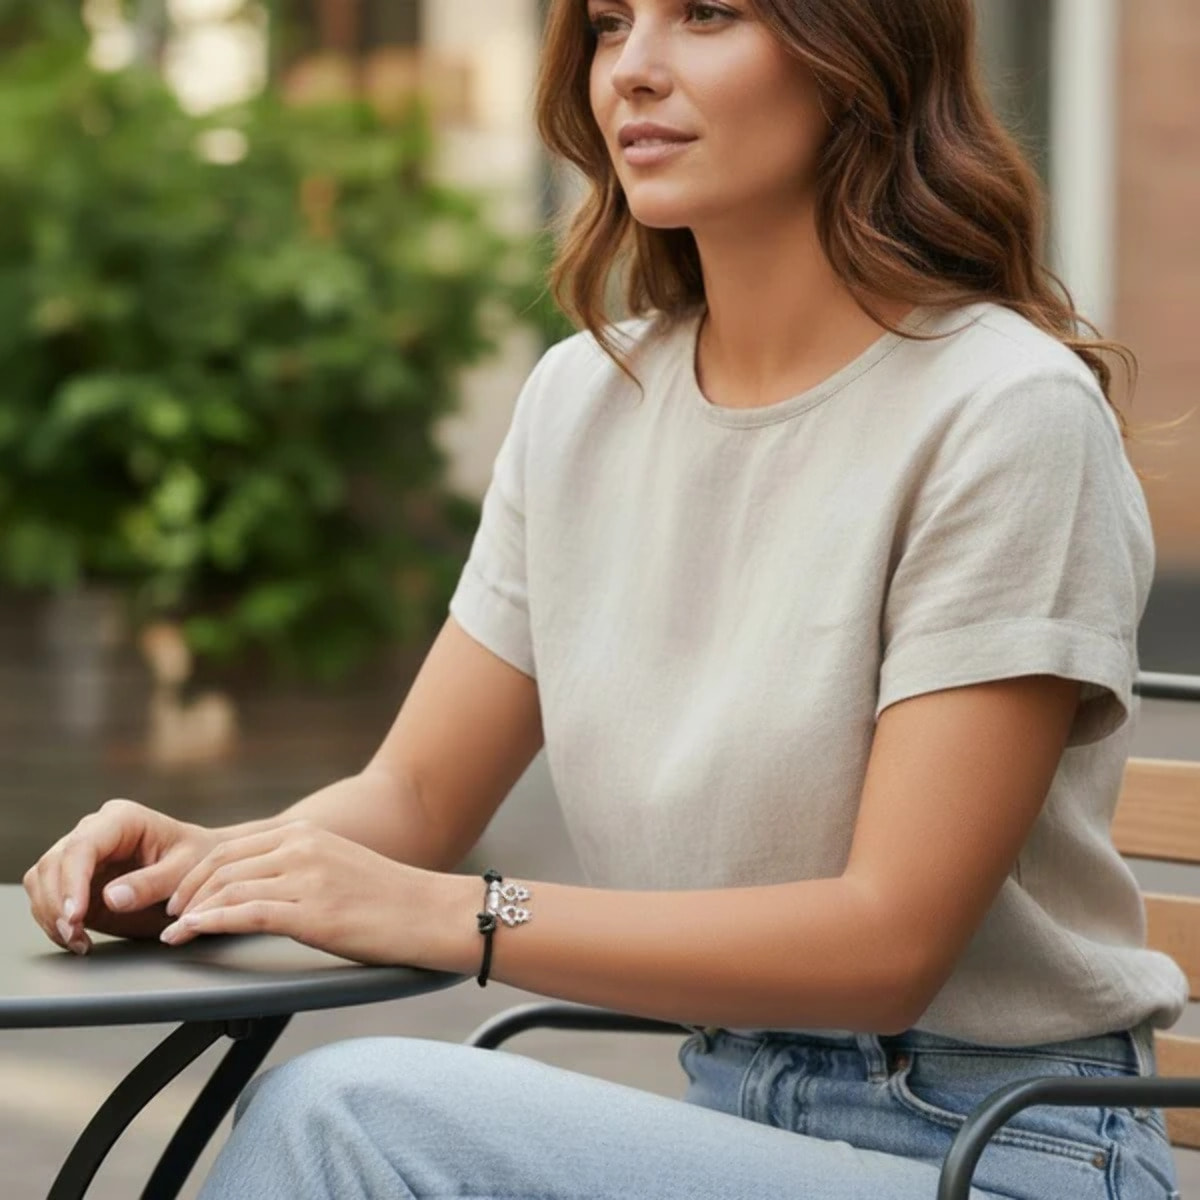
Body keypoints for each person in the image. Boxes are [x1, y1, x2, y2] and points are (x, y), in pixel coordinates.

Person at [23, 0, 1189, 1196]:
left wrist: (465, 916)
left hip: (998, 1150)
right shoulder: (581, 401)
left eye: (707, 15)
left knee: (349, 1115)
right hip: (732, 1120)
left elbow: (888, 941)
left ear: (860, 55)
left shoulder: (1005, 416)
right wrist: (208, 870)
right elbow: (414, 794)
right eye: (607, 23)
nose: (632, 70)